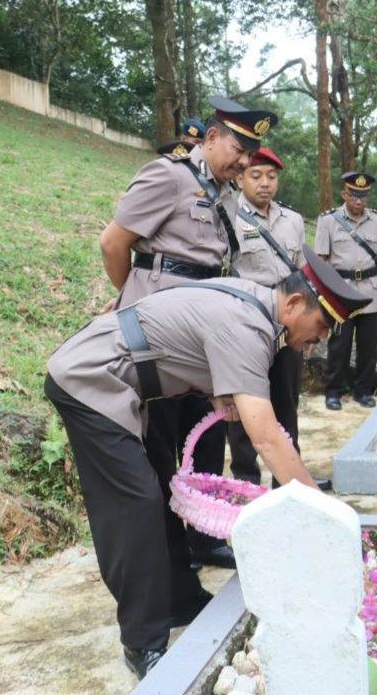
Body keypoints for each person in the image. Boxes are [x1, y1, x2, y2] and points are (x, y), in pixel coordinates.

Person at [44, 247, 369, 680]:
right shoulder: (249, 324)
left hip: (123, 382)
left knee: (160, 488)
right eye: (320, 326)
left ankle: (178, 599)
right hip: (90, 378)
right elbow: (267, 439)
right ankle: (141, 642)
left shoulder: (255, 305)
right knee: (137, 502)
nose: (317, 341)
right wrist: (325, 518)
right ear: (293, 304)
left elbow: (194, 338)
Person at [98, 95, 278, 571]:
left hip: (207, 340)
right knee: (160, 443)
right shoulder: (168, 175)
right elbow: (114, 244)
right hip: (158, 342)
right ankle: (170, 557)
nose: (244, 162)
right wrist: (135, 303)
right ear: (212, 136)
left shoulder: (227, 193)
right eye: (238, 150)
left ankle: (203, 535)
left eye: (251, 156)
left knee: (204, 440)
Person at [223, 147, 331, 490]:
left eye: (271, 176)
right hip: (246, 324)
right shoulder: (229, 216)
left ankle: (290, 483)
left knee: (286, 403)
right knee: (244, 408)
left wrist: (309, 328)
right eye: (256, 176)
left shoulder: (293, 220)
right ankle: (247, 482)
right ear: (240, 178)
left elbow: (303, 275)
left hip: (289, 324)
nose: (265, 183)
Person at [315, 172, 377, 410]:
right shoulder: (329, 221)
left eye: (364, 196)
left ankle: (363, 391)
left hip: (371, 292)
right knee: (339, 345)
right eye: (354, 195)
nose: (359, 201)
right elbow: (321, 260)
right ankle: (334, 392)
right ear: (344, 194)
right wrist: (322, 294)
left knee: (368, 346)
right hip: (341, 292)